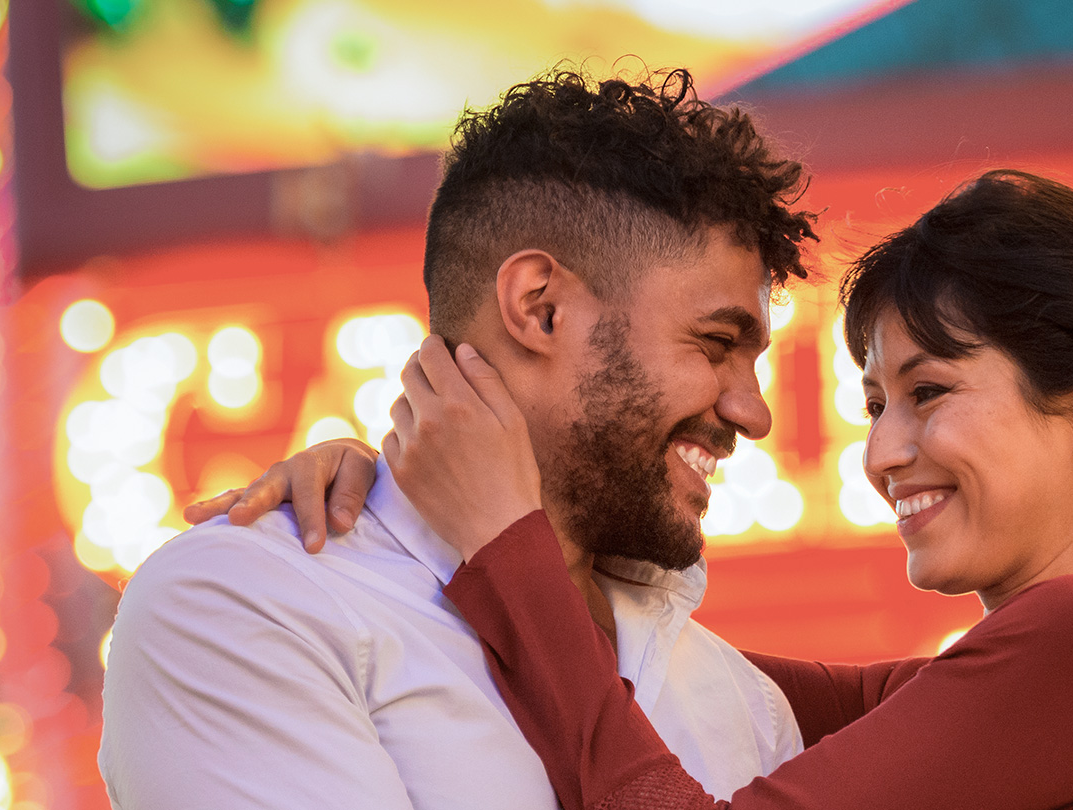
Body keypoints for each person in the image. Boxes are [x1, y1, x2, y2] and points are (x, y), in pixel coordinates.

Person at [205, 172, 1073, 809]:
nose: (883, 454)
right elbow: (630, 662)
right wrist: (403, 510)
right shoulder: (1041, 668)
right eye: (876, 403)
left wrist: (497, 533)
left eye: (929, 391)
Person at [97, 67, 822, 809]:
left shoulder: (743, 708)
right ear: (540, 308)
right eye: (714, 343)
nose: (753, 412)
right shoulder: (248, 602)